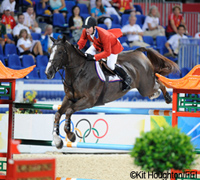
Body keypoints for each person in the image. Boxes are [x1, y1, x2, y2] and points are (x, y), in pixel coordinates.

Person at [77, 16, 131, 92]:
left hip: (112, 46)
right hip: (98, 45)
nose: (86, 30)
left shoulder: (104, 35)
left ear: (94, 27)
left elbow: (107, 52)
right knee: (85, 55)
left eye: (88, 28)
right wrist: (78, 46)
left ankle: (126, 77)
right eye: (85, 28)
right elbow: (83, 39)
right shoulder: (86, 31)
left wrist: (94, 57)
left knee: (110, 65)